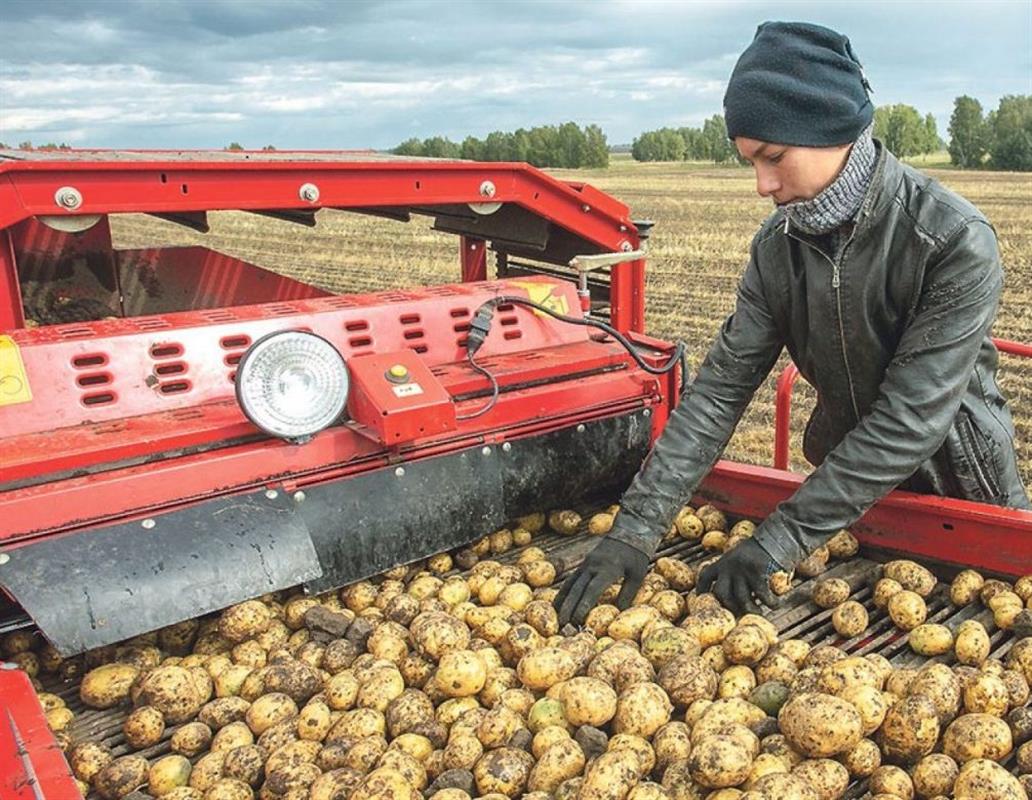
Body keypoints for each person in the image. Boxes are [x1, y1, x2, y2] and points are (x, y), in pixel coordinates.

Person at [555, 20, 1030, 624]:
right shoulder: (778, 248)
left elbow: (910, 422)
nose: (762, 185)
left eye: (774, 157)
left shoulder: (951, 240)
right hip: (846, 507)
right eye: (750, 162)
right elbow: (720, 392)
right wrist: (635, 530)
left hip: (964, 495)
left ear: (832, 127)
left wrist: (773, 544)